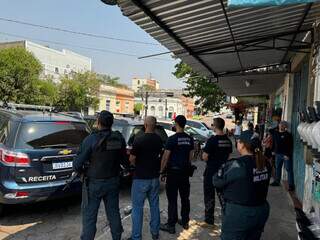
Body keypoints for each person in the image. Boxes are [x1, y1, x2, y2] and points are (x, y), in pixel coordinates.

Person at [73, 111, 125, 240]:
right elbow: (124, 160)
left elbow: (76, 165)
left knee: (90, 217)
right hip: (113, 182)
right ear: (112, 123)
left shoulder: (91, 138)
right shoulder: (118, 138)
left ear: (98, 123)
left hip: (94, 184)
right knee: (113, 214)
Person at [213, 130, 271, 240]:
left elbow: (216, 181)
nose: (237, 143)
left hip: (239, 214)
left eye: (238, 141)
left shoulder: (238, 164)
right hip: (260, 211)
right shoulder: (265, 162)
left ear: (243, 145)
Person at [128, 116, 163, 240]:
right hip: (154, 178)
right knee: (154, 206)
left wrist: (136, 165)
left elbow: (132, 159)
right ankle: (155, 233)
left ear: (145, 124)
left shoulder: (139, 139)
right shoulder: (159, 139)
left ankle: (136, 237)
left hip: (140, 178)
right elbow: (161, 156)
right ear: (155, 125)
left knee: (137, 208)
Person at [159, 115, 194, 234]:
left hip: (173, 173)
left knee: (172, 199)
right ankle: (185, 221)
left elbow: (165, 157)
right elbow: (191, 157)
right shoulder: (190, 139)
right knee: (185, 198)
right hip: (185, 173)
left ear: (176, 124)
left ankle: (171, 224)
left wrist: (161, 170)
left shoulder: (172, 139)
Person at [202, 117, 232, 226]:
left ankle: (209, 220)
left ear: (215, 126)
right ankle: (227, 217)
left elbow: (205, 157)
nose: (211, 126)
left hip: (211, 172)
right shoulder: (228, 141)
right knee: (223, 196)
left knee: (209, 196)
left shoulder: (212, 140)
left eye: (212, 124)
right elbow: (228, 157)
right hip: (223, 172)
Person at [270, 121, 295, 191]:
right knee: (278, 168)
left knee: (288, 169)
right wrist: (273, 151)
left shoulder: (288, 135)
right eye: (280, 125)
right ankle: (277, 181)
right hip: (277, 154)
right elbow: (270, 130)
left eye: (283, 125)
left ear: (285, 127)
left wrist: (287, 155)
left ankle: (291, 185)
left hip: (285, 155)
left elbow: (290, 146)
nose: (281, 126)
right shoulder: (276, 133)